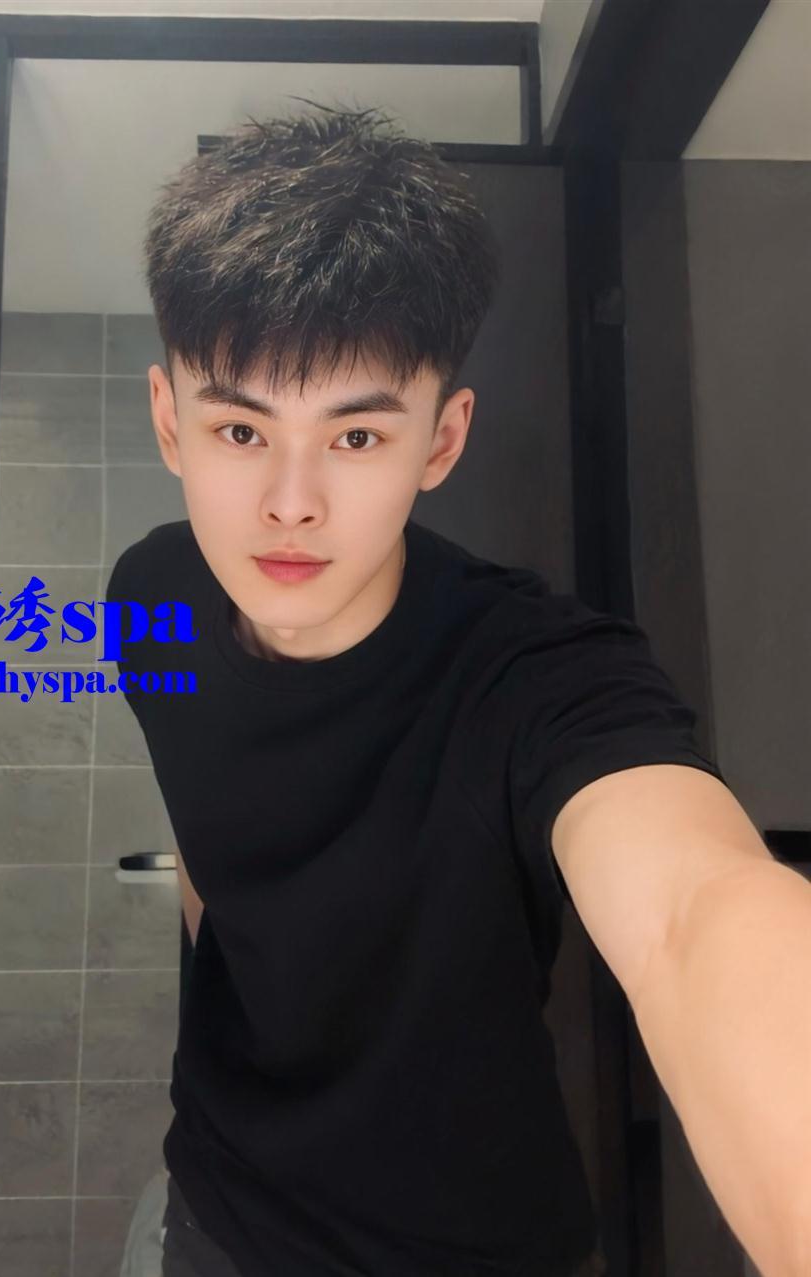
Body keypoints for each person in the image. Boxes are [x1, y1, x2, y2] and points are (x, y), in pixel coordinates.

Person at [106, 102, 810, 1277]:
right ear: (170, 422)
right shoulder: (149, 595)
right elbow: (211, 837)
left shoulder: (539, 678)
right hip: (215, 1207)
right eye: (239, 430)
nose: (290, 503)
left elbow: (696, 915)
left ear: (439, 441)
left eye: (356, 438)